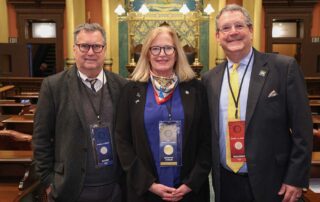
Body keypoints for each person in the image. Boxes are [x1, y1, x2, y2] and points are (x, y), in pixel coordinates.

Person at [202, 4, 313, 202]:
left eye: (239, 25)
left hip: (274, 181)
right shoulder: (210, 79)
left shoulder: (283, 68)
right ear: (218, 36)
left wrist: (295, 179)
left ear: (251, 30)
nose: (233, 32)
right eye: (225, 28)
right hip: (226, 181)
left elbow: (302, 130)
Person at [115, 26, 211, 202]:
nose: (162, 54)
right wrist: (149, 184)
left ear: (177, 53)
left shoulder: (196, 89)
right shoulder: (130, 91)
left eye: (168, 48)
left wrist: (191, 183)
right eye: (155, 48)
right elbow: (122, 141)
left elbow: (207, 140)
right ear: (147, 54)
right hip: (145, 191)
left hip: (189, 191)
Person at [32, 23, 127, 202]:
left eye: (97, 46)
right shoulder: (54, 86)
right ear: (74, 49)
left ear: (104, 50)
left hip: (115, 189)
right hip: (70, 189)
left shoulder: (122, 86)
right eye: (84, 46)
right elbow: (40, 138)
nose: (90, 52)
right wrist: (48, 181)